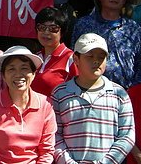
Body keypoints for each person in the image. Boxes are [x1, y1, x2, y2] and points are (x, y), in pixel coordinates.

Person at [51, 33, 135, 164]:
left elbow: (127, 135)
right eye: (90, 56)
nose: (96, 61)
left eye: (101, 57)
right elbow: (55, 135)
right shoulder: (60, 94)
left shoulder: (119, 93)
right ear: (76, 59)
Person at [72, 0, 141, 89]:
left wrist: (133, 90)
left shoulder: (132, 28)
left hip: (124, 94)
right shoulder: (84, 24)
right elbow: (73, 59)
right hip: (88, 92)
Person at [31, 7, 77, 97]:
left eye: (53, 28)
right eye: (41, 27)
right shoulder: (34, 57)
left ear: (62, 32)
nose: (46, 32)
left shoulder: (71, 58)